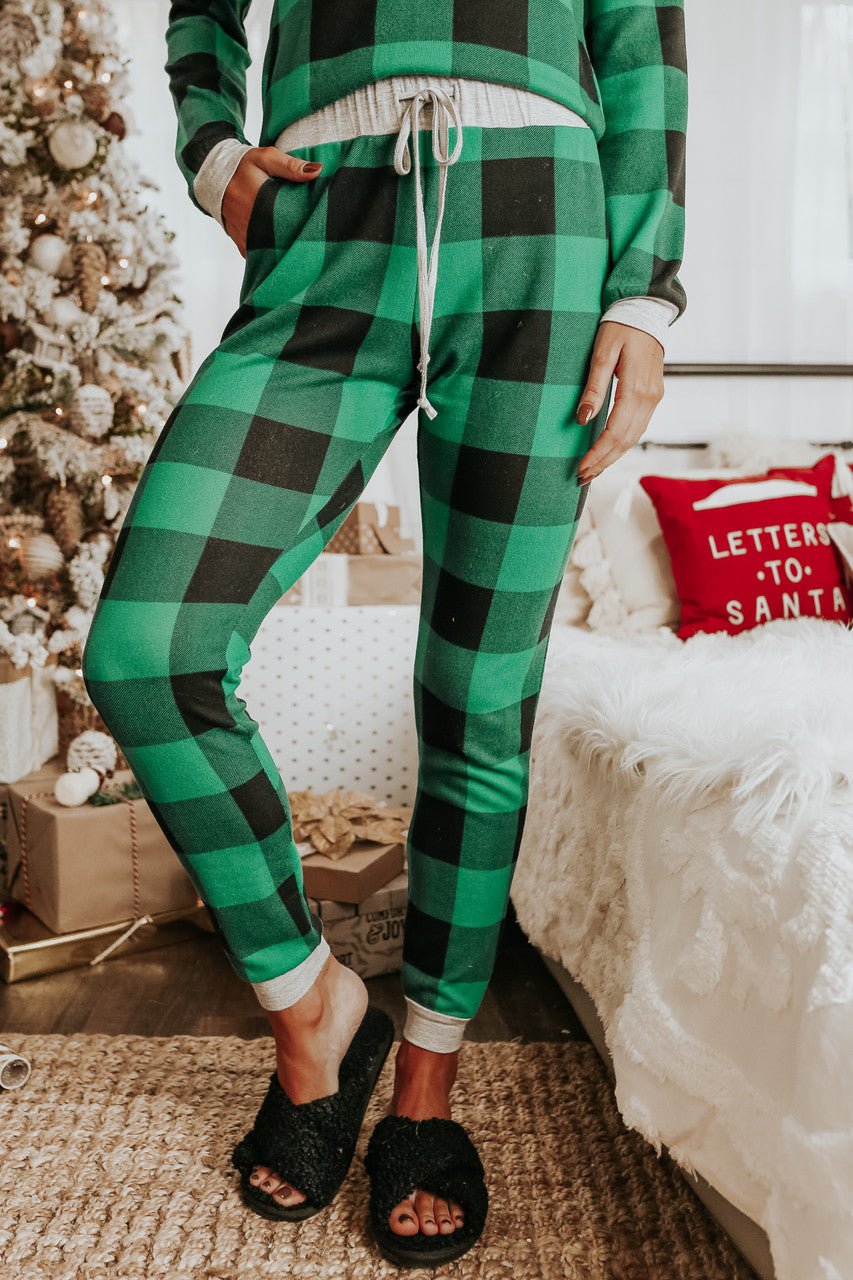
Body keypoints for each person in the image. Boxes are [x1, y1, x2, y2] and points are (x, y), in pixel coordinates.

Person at [82, 0, 686, 1267]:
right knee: (150, 646)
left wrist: (642, 290)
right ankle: (314, 1003)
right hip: (325, 211)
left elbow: (638, 33)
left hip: (541, 224)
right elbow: (201, 9)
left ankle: (424, 1089)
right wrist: (211, 150)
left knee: (478, 702)